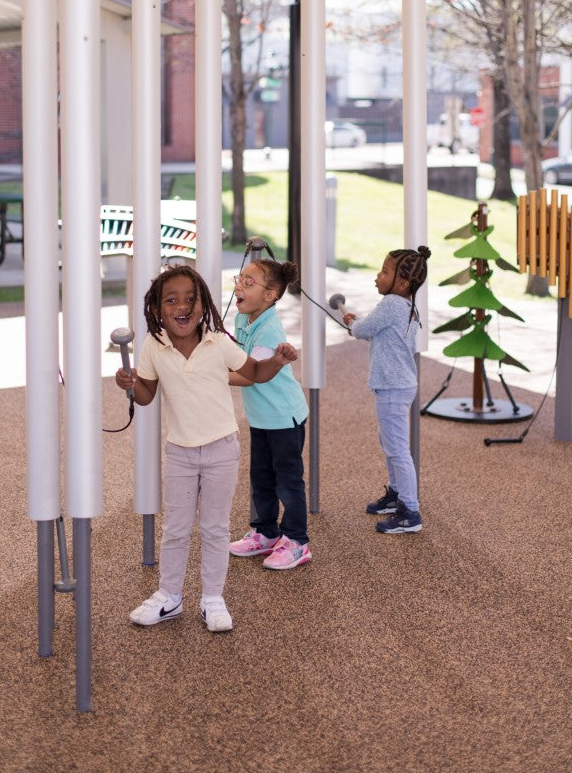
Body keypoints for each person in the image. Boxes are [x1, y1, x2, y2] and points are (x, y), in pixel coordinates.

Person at [116, 264, 298, 633]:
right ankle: (170, 596)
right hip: (180, 452)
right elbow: (147, 396)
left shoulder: (219, 342)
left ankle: (212, 598)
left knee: (215, 529)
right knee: (177, 529)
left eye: (191, 300)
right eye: (171, 300)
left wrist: (277, 362)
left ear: (204, 306)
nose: (182, 307)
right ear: (156, 309)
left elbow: (253, 373)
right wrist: (131, 384)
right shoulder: (153, 346)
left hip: (221, 450)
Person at [228, 258, 311, 570]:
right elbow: (235, 356)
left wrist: (209, 375)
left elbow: (252, 375)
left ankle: (297, 541)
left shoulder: (269, 329)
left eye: (249, 283)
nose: (239, 286)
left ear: (271, 295)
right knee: (261, 477)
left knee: (288, 482)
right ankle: (265, 532)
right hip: (261, 417)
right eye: (240, 278)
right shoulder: (243, 318)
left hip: (284, 418)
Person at [342, 246, 431, 534]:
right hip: (398, 385)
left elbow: (364, 330)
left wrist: (354, 323)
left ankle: (410, 511)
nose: (377, 276)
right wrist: (358, 324)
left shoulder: (392, 303)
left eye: (384, 272)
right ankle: (395, 496)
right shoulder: (406, 305)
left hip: (393, 387)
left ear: (402, 283)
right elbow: (376, 331)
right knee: (391, 445)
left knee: (397, 449)